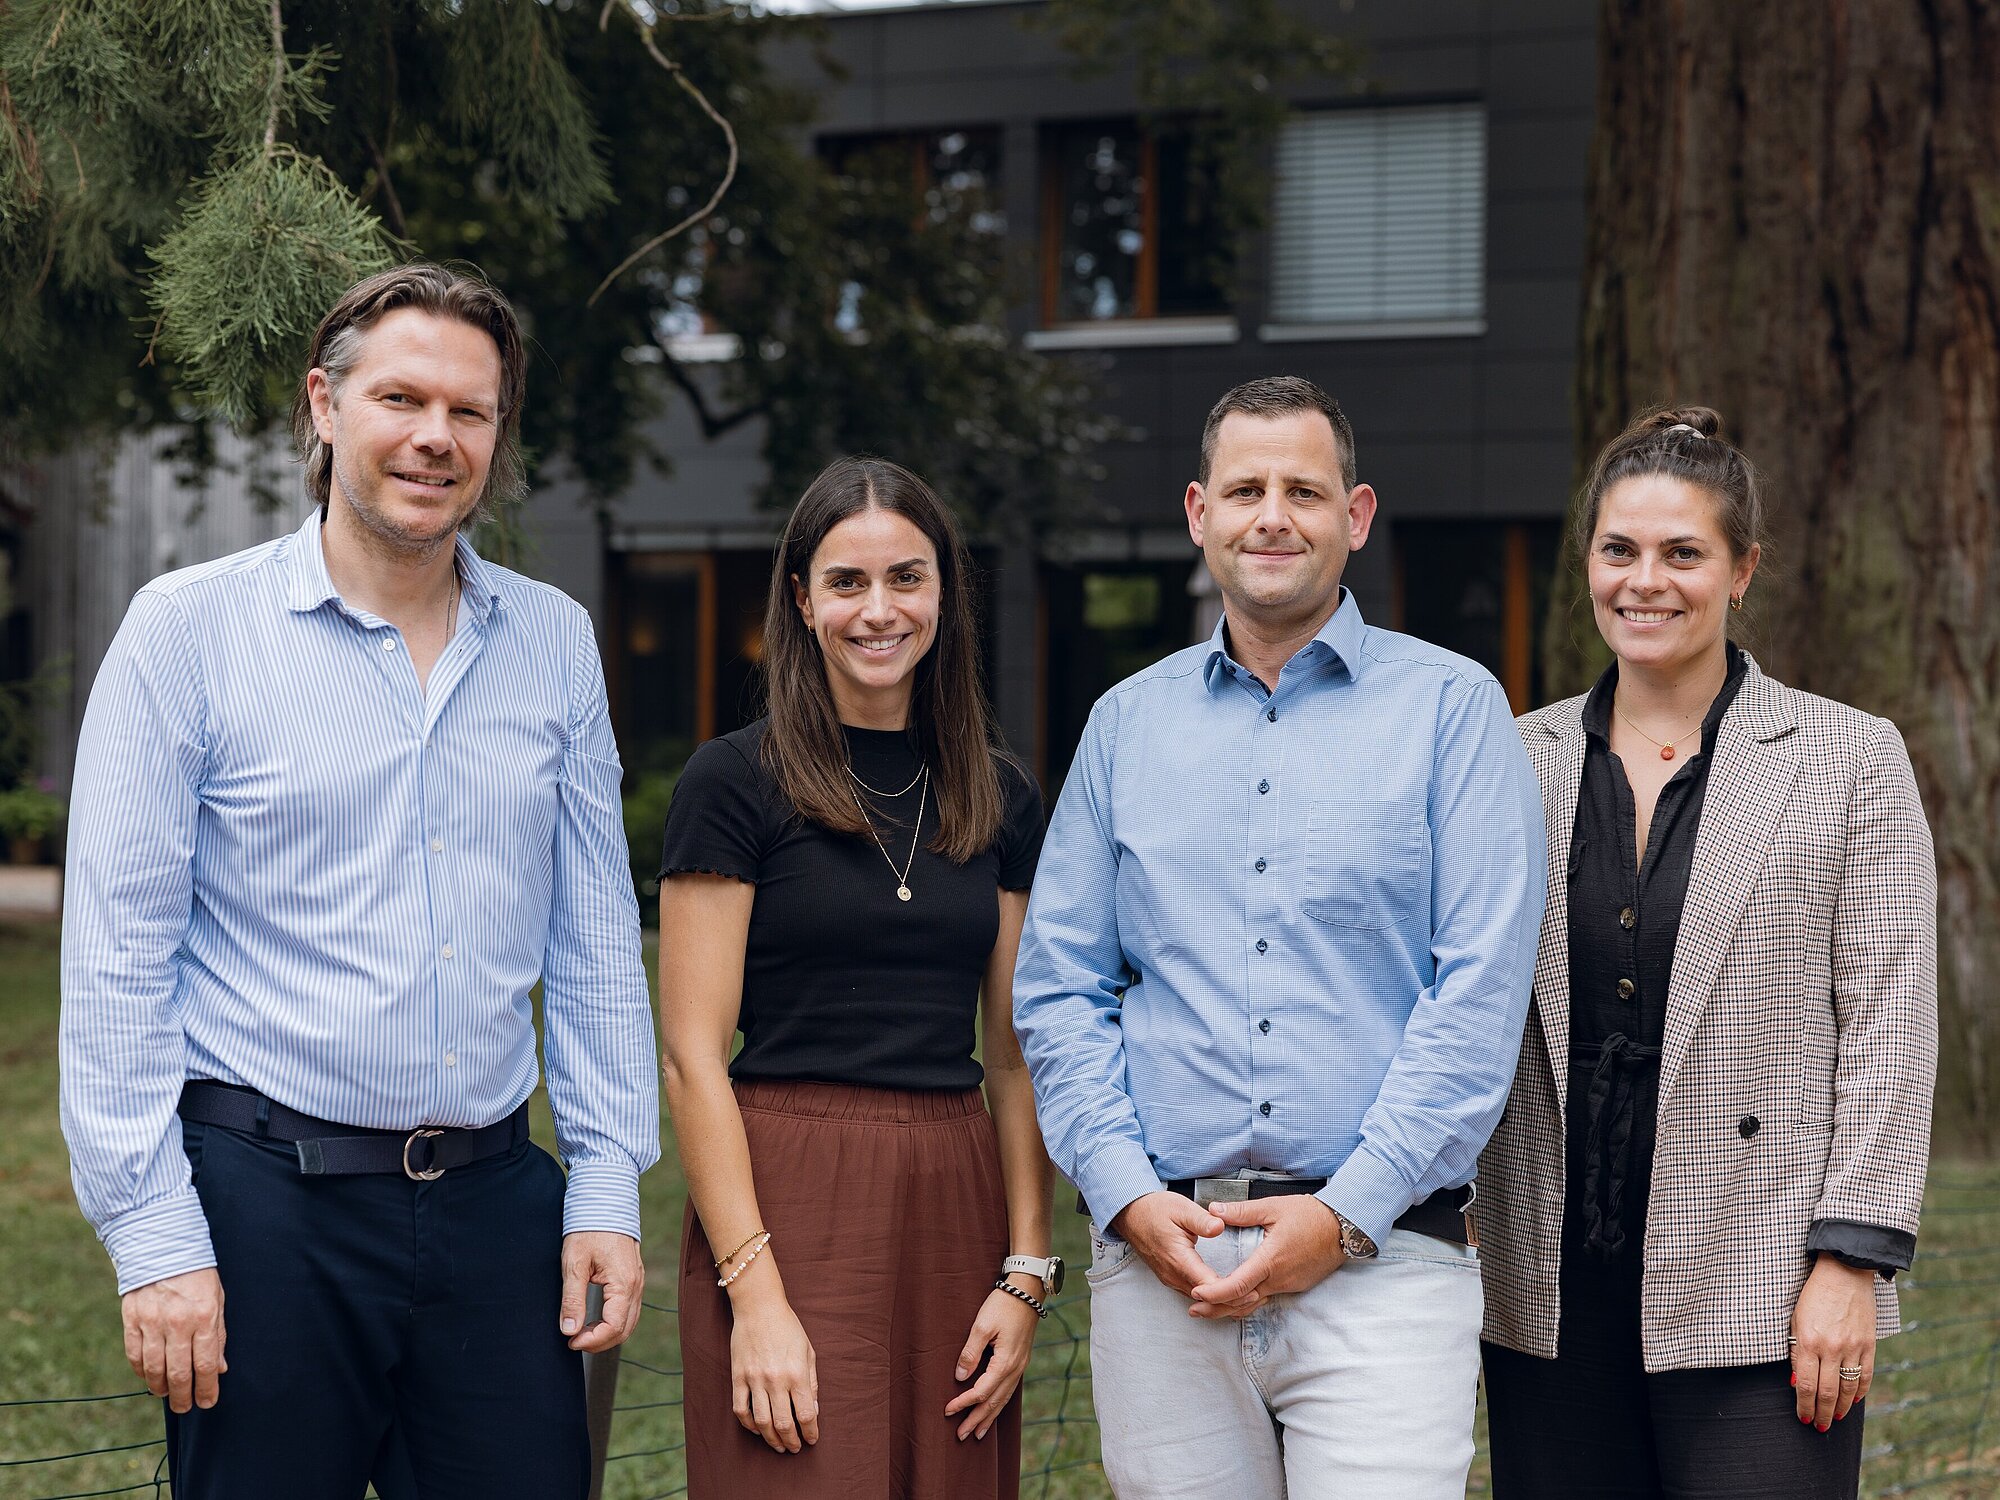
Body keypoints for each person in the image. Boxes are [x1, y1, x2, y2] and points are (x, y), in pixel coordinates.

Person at [58, 263, 659, 1499]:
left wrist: (603, 1187)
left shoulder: (552, 641)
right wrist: (155, 1237)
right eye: (401, 398)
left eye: (471, 411)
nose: (435, 438)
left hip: (498, 1209)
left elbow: (595, 939)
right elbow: (118, 958)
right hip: (266, 1208)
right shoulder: (186, 632)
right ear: (325, 406)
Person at [1012, 375, 1547, 1499]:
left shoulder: (1452, 710)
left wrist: (1342, 1215)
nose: (1272, 516)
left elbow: (1478, 994)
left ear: (1353, 517)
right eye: (1245, 488)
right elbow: (1059, 988)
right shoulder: (1123, 726)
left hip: (1382, 1265)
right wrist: (1119, 1190)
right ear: (1199, 512)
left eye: (1302, 490)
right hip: (1163, 1263)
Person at [1477, 407, 1939, 1499]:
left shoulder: (1847, 757)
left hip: (1763, 1278)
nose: (1645, 581)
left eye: (1682, 553)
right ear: (1585, 560)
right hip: (1545, 1279)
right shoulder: (1507, 755)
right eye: (1617, 550)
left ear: (1742, 570)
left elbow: (1889, 1030)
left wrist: (1848, 1265)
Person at [657, 456, 1052, 1499]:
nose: (878, 611)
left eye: (905, 578)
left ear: (943, 593)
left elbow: (1012, 1059)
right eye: (846, 582)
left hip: (954, 1197)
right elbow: (692, 1058)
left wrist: (1025, 1272)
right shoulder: (732, 782)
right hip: (786, 1190)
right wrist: (756, 1295)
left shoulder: (1001, 796)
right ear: (801, 599)